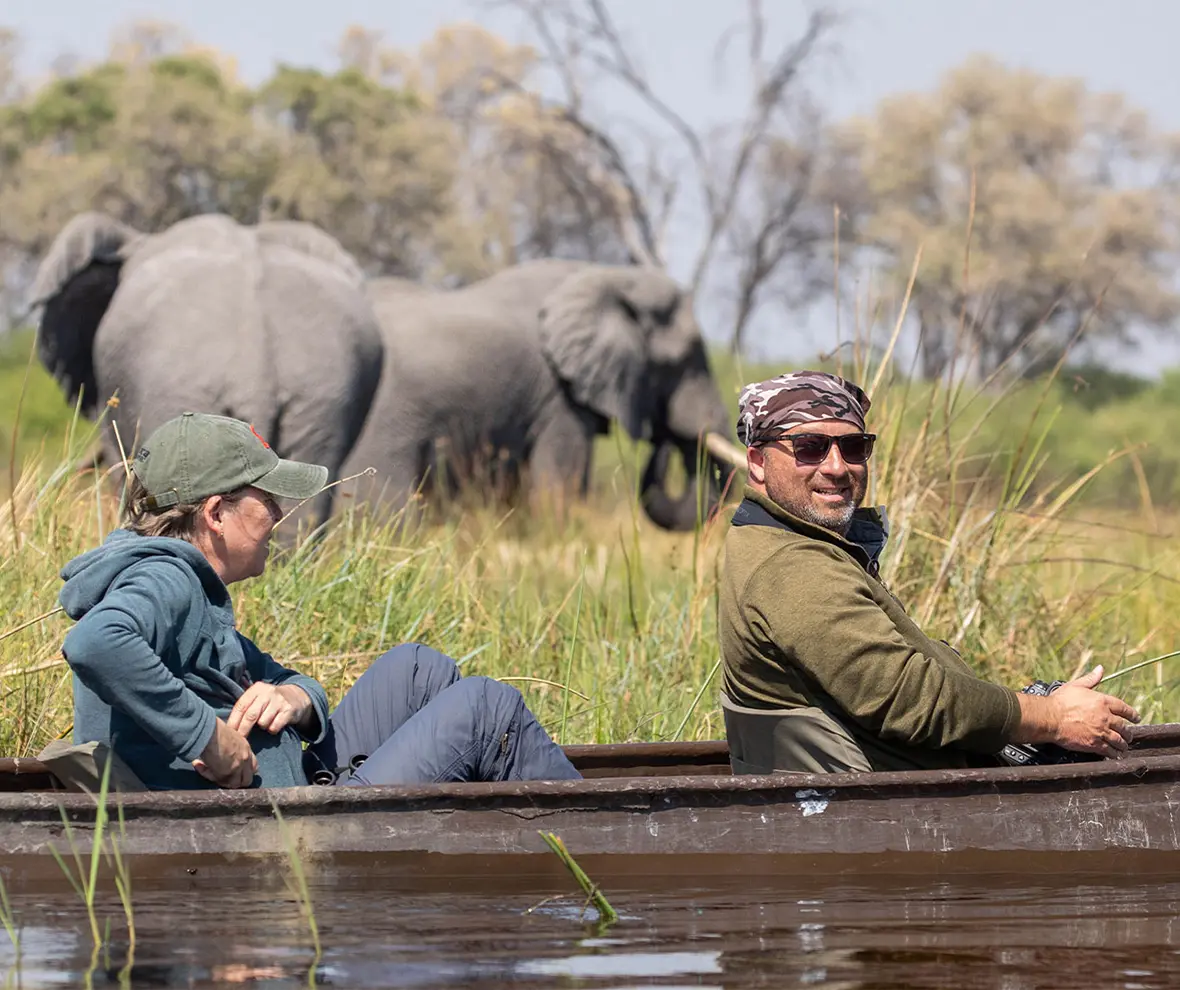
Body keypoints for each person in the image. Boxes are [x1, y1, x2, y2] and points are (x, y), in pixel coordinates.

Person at [57, 412, 581, 790]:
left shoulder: (193, 589)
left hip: (295, 783)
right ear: (216, 513)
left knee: (418, 669)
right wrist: (205, 736)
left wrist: (295, 700)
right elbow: (95, 642)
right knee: (487, 708)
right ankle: (597, 851)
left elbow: (283, 679)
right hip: (277, 831)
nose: (280, 516)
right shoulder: (165, 578)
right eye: (268, 500)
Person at [718, 370, 1141, 775]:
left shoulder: (780, 542)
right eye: (809, 447)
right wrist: (1052, 717)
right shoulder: (794, 566)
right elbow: (908, 698)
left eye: (853, 447)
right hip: (895, 817)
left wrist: (1030, 709)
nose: (836, 467)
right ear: (757, 462)